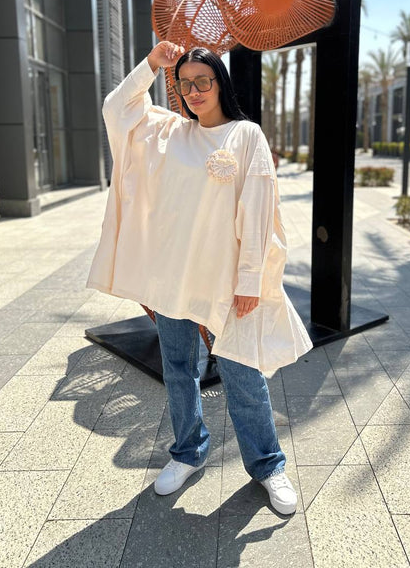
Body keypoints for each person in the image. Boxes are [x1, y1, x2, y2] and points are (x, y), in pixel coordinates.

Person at [87, 40, 313, 515]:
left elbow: (259, 212)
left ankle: (268, 464)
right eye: (184, 84)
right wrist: (151, 63)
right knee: (178, 371)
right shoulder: (169, 132)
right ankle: (188, 453)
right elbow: (116, 107)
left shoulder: (246, 135)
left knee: (242, 375)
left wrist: (250, 280)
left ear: (219, 82)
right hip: (172, 279)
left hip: (227, 284)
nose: (193, 91)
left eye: (202, 81)